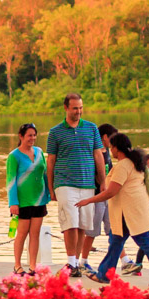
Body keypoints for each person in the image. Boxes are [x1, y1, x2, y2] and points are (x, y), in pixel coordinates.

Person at [75, 131, 149, 286]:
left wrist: (89, 200)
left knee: (144, 241)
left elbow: (111, 191)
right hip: (131, 211)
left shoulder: (123, 165)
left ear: (117, 149)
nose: (110, 150)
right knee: (116, 242)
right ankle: (104, 275)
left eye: (112, 147)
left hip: (129, 212)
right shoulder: (134, 163)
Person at [46, 93, 105, 277]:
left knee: (82, 225)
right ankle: (71, 261)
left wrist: (103, 182)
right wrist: (51, 187)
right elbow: (51, 161)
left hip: (88, 183)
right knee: (70, 222)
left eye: (80, 108)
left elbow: (98, 155)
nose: (78, 111)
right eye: (74, 108)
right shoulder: (55, 132)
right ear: (66, 108)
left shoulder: (91, 128)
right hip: (65, 183)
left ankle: (76, 264)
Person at [6, 123, 50, 275]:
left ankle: (33, 266)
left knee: (35, 233)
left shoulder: (39, 152)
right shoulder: (14, 156)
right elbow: (10, 181)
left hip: (39, 199)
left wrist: (50, 193)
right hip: (22, 201)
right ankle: (17, 265)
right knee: (22, 233)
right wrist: (13, 203)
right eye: (29, 135)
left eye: (34, 135)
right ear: (21, 136)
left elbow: (45, 174)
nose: (32, 138)